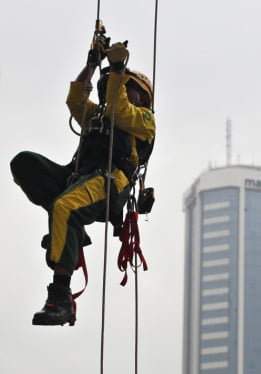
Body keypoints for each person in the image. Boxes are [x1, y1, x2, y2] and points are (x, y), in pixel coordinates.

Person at [10, 38, 156, 326]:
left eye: (130, 89)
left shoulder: (144, 120)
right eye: (123, 87)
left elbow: (119, 109)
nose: (126, 92)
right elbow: (75, 100)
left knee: (65, 207)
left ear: (141, 97)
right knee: (24, 164)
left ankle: (61, 298)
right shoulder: (98, 116)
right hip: (79, 178)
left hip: (110, 182)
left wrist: (116, 69)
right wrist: (92, 65)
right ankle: (70, 231)